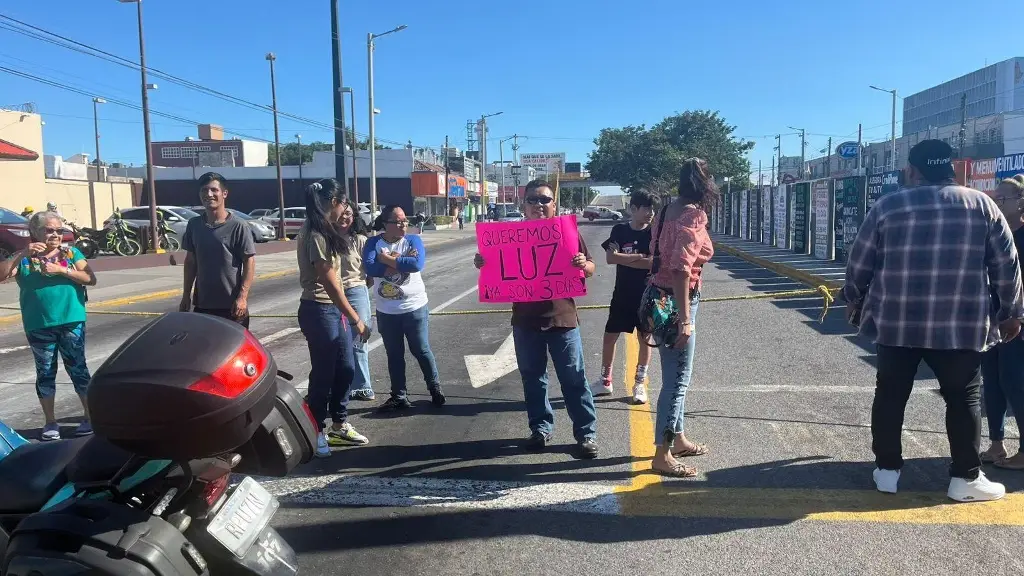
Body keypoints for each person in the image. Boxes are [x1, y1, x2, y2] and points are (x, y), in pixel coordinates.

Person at [844, 140, 1024, 502]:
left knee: (891, 395)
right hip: (961, 324)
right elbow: (1006, 266)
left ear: (912, 170)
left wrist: (854, 300)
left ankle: (887, 471)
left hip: (897, 323)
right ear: (953, 169)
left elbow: (859, 262)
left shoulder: (888, 206)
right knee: (963, 399)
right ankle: (965, 478)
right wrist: (1012, 312)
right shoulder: (983, 205)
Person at [474, 179, 599, 459]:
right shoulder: (509, 235)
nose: (539, 205)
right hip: (525, 322)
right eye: (533, 200)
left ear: (554, 204)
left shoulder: (567, 233)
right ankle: (540, 429)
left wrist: (583, 265)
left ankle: (586, 434)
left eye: (545, 200)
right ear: (524, 205)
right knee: (533, 379)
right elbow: (493, 268)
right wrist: (483, 263)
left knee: (574, 379)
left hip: (562, 320)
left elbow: (591, 267)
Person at [0, 211, 97, 441]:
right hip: (39, 322)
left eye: (59, 230)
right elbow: (3, 274)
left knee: (78, 370)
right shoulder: (23, 258)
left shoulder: (70, 253)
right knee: (45, 373)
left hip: (71, 320)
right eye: (49, 230)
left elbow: (90, 278)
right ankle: (50, 422)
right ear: (35, 232)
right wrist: (23, 253)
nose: (55, 235)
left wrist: (62, 269)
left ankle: (90, 417)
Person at [646, 160, 716, 477]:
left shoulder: (665, 211)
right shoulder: (693, 214)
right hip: (676, 301)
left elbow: (658, 254)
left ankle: (678, 439)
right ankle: (662, 455)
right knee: (677, 381)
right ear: (704, 183)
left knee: (674, 374)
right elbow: (681, 268)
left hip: (656, 297)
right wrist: (685, 318)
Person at [296, 179, 372, 456]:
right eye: (343, 204)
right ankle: (315, 429)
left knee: (347, 369)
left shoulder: (325, 231)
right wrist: (355, 318)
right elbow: (329, 282)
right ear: (332, 203)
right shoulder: (315, 234)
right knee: (324, 374)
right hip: (319, 310)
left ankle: (339, 425)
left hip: (332, 311)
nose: (345, 210)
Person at [364, 205, 445, 412]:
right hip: (387, 311)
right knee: (394, 354)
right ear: (386, 224)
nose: (403, 225)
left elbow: (416, 264)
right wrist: (400, 261)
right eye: (398, 221)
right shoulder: (373, 242)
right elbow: (370, 268)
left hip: (414, 307)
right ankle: (399, 395)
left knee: (421, 349)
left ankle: (434, 387)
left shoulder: (413, 240)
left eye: (405, 220)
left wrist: (386, 259)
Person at [593, 190, 656, 404]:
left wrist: (625, 258)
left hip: (647, 295)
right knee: (610, 336)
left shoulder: (654, 233)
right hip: (622, 295)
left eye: (652, 209)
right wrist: (640, 257)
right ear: (634, 209)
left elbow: (653, 262)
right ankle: (605, 379)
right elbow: (611, 259)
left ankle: (639, 382)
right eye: (646, 208)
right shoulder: (619, 230)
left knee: (645, 339)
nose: (650, 213)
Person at [980, 174, 1024, 470]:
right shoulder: (994, 234)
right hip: (991, 318)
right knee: (991, 381)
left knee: (1015, 382)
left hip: (1016, 322)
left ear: (1021, 203)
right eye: (995, 198)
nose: (996, 202)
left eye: (1003, 198)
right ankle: (996, 444)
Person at [179, 172, 256, 328]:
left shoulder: (238, 226)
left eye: (214, 190)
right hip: (203, 305)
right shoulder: (194, 225)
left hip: (232, 307)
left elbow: (249, 261)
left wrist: (242, 297)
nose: (209, 194)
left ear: (224, 193)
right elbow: (190, 262)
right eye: (204, 190)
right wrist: (186, 295)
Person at [338, 195, 376, 402]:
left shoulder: (361, 241)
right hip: (331, 295)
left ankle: (362, 386)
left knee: (359, 340)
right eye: (341, 213)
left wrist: (358, 287)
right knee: (337, 343)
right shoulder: (327, 239)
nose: (344, 218)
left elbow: (371, 275)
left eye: (349, 214)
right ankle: (340, 386)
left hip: (355, 291)